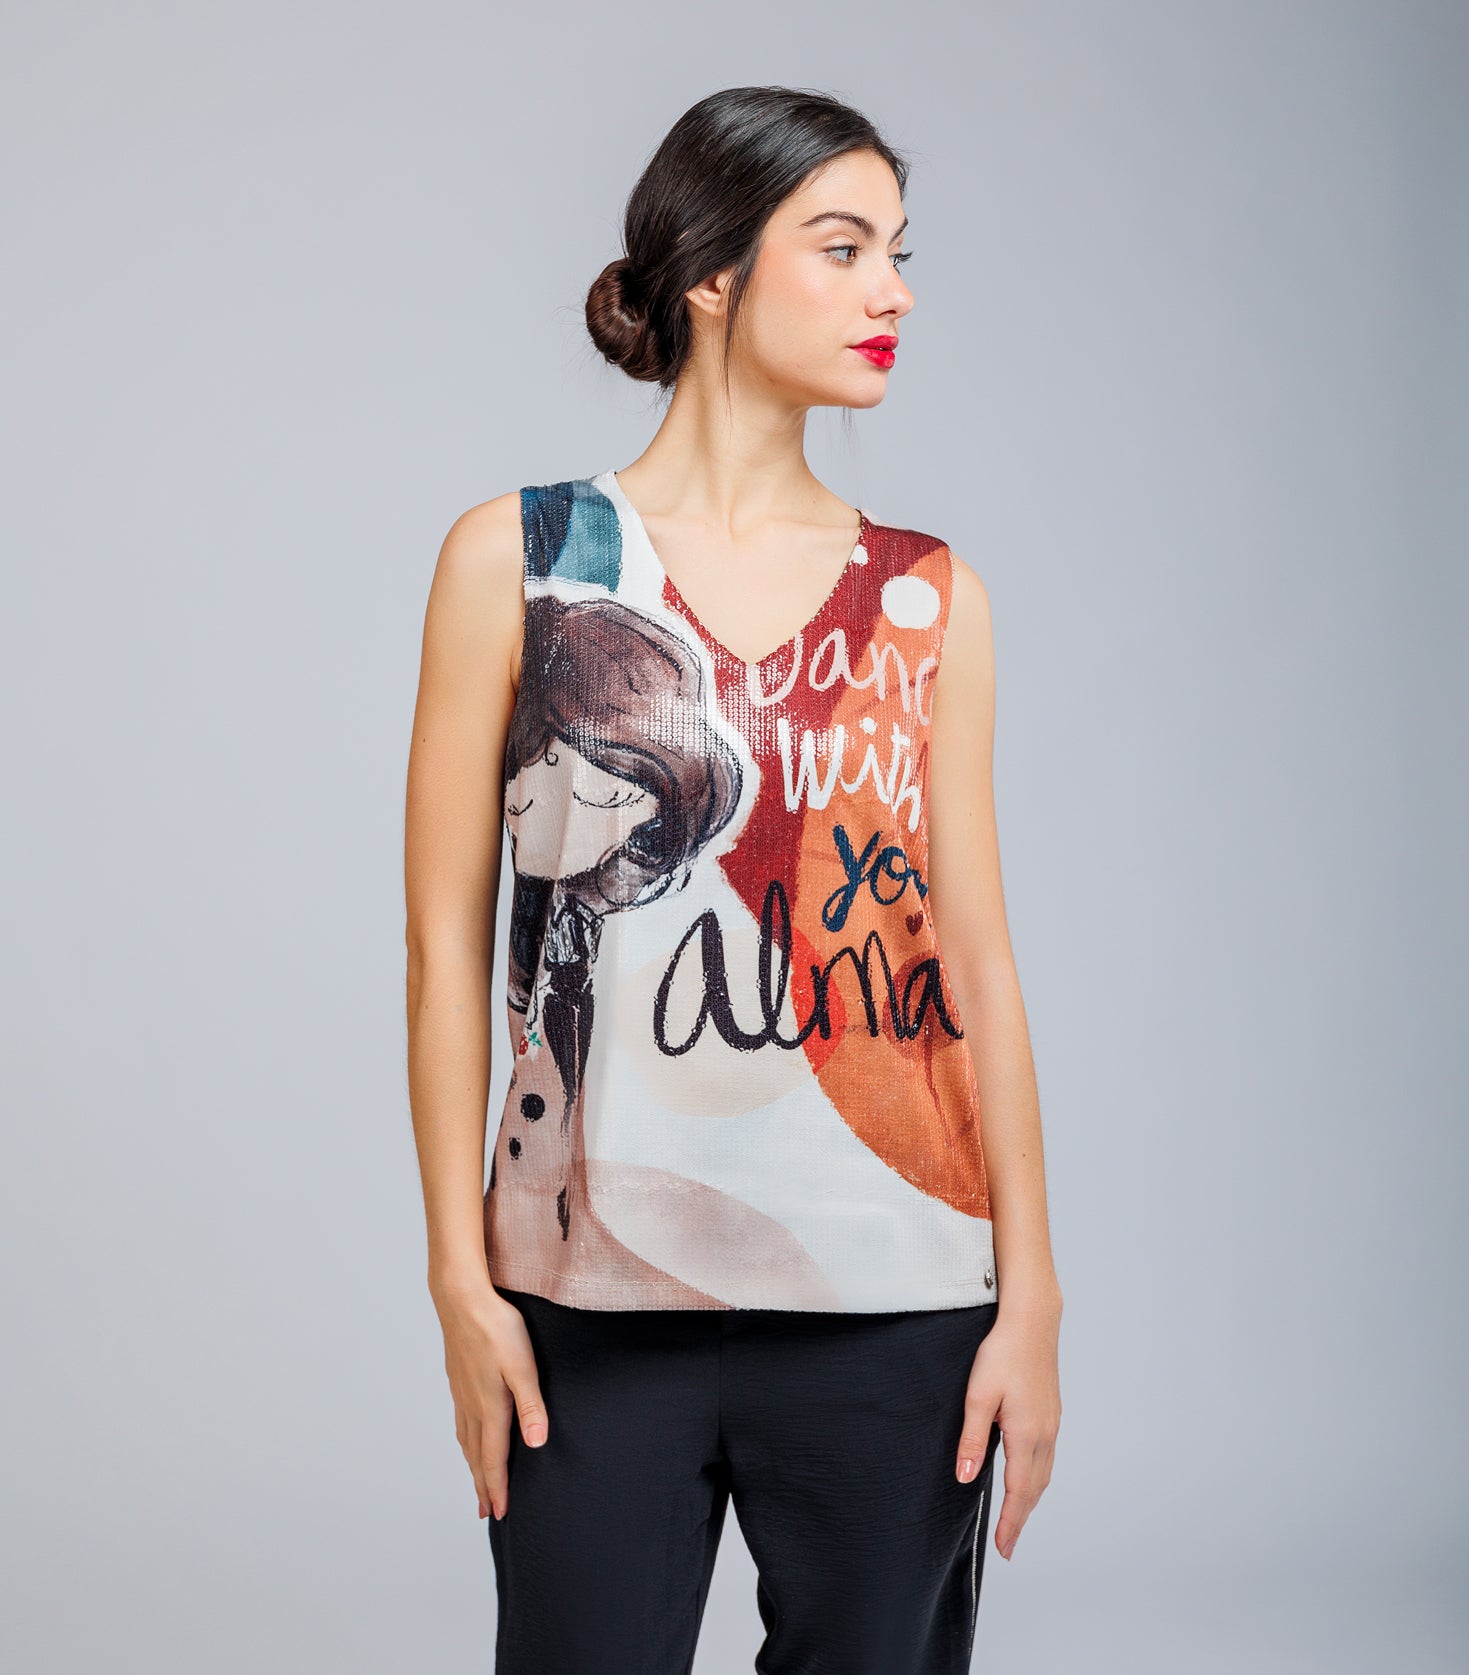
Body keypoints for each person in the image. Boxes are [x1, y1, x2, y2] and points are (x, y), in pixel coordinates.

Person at [404, 84, 1063, 1674]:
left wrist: (1032, 1297)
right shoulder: (520, 561)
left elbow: (975, 965)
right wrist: (460, 1283)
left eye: (898, 253)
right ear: (712, 273)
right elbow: (441, 952)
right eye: (843, 248)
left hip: (897, 1303)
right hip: (584, 1298)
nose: (893, 292)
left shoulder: (930, 600)